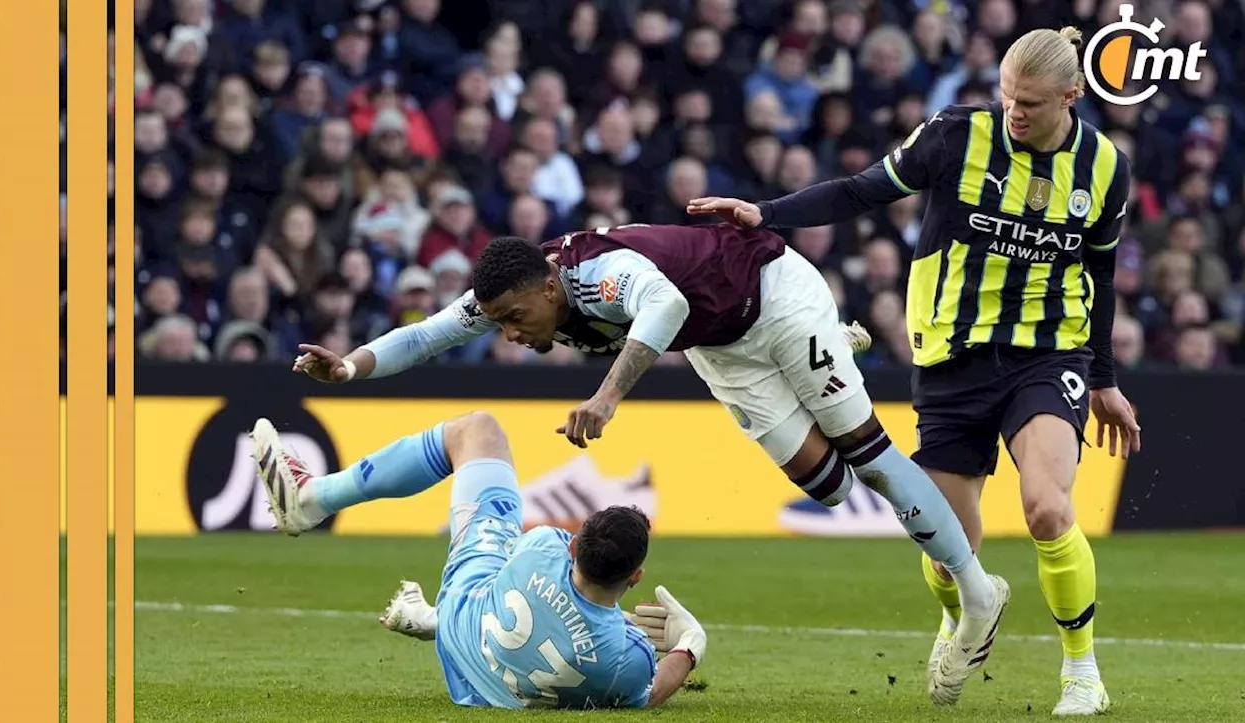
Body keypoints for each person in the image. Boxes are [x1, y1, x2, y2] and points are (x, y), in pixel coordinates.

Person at [291, 221, 1009, 702]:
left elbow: (662, 304)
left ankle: (978, 592)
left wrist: (606, 397)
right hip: (723, 344)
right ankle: (830, 351)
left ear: (548, 286)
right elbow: (428, 337)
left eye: (518, 317)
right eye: (501, 322)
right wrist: (350, 369)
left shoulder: (595, 275)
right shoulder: (517, 290)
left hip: (771, 296)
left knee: (870, 457)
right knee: (827, 485)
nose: (509, 332)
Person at [685, 26, 1140, 717]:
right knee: (949, 546)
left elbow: (1100, 274)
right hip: (952, 358)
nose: (1013, 112)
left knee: (1048, 507)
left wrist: (1102, 377)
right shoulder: (957, 134)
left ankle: (1082, 671)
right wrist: (766, 214)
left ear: (1071, 97)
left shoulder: (1105, 167)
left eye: (1031, 103)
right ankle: (966, 615)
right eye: (1008, 97)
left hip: (1048, 353)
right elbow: (861, 191)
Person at [250, 412, 707, 709]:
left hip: (464, 619)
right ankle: (431, 617)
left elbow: (556, 592)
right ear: (636, 577)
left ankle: (311, 500)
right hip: (487, 689)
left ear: (574, 545)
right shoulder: (625, 659)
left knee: (477, 432)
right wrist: (689, 644)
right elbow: (649, 694)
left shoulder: (545, 546)